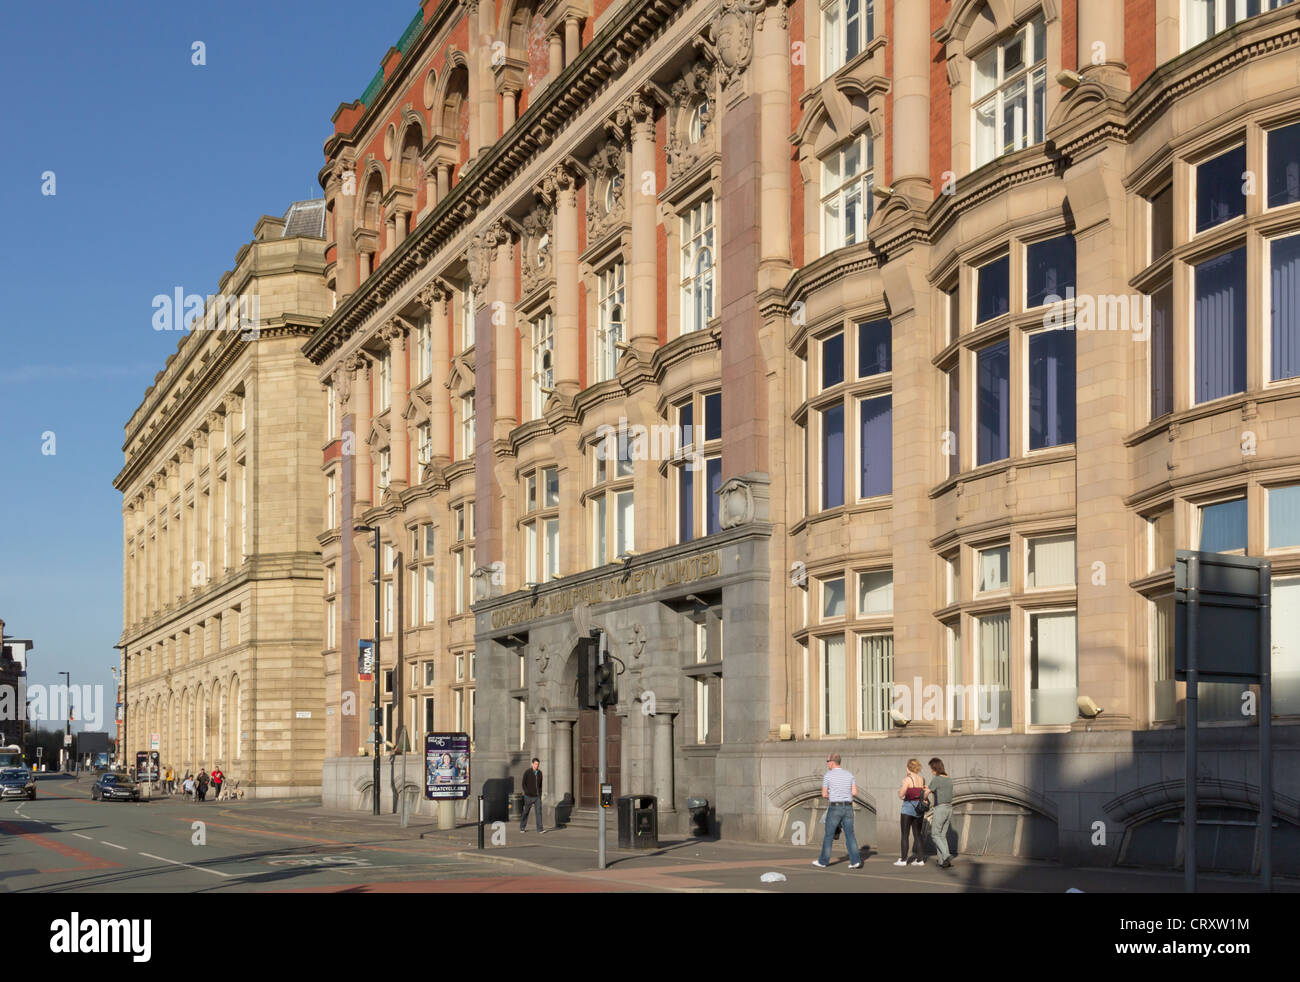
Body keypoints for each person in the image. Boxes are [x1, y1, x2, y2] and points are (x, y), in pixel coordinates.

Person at [812, 752, 862, 869]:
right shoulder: (849, 775)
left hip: (835, 807)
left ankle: (823, 861)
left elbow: (824, 794)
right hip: (848, 807)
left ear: (833, 762)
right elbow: (854, 792)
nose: (827, 764)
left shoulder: (828, 775)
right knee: (850, 834)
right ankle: (856, 861)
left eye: (827, 761)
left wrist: (834, 795)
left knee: (829, 835)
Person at [896, 758, 928, 866]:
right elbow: (923, 793)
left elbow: (901, 794)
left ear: (908, 767)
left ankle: (903, 860)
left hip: (908, 808)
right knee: (918, 834)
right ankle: (920, 860)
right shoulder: (922, 779)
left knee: (905, 834)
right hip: (919, 809)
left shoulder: (907, 779)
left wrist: (900, 791)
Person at [927, 758, 955, 869]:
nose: (931, 771)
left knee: (934, 835)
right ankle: (943, 861)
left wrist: (924, 796)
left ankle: (947, 855)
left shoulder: (936, 779)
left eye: (931, 769)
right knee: (942, 836)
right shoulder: (949, 779)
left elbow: (927, 793)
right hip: (949, 808)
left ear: (935, 768)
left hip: (940, 809)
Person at [519, 757, 545, 833]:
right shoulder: (527, 772)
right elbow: (523, 784)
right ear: (532, 764)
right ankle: (522, 827)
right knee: (526, 812)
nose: (537, 766)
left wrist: (539, 795)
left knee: (539, 813)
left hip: (537, 797)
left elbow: (540, 785)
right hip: (528, 796)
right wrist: (527, 792)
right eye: (536, 764)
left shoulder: (540, 773)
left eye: (538, 764)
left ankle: (540, 829)